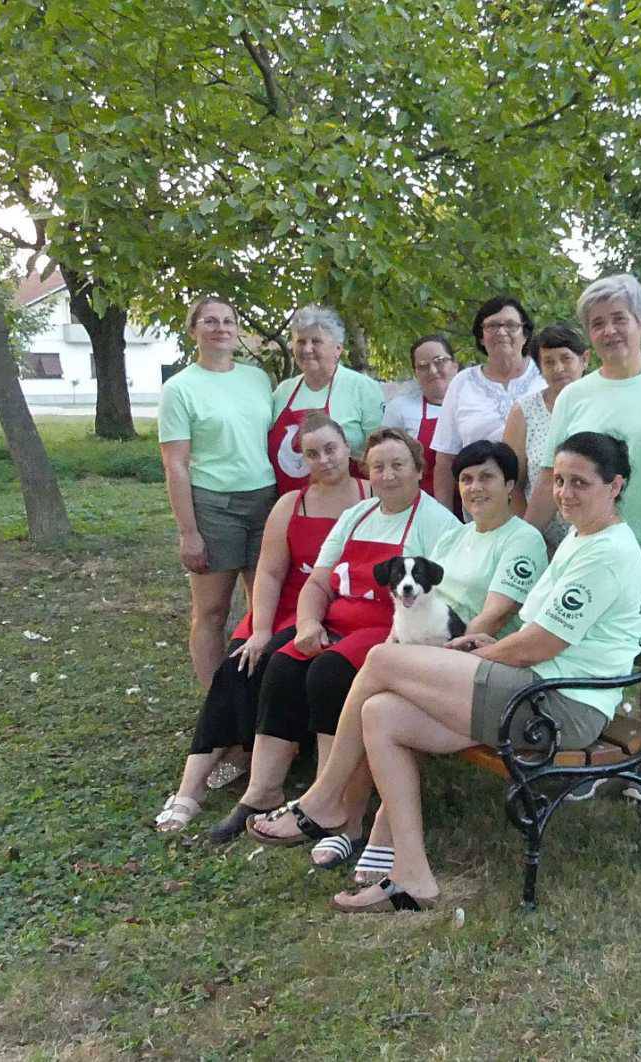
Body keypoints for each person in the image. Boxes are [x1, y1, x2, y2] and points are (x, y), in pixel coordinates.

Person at [248, 432, 641, 913]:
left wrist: (473, 659)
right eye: (559, 480)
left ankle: (325, 799)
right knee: (382, 714)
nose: (564, 492)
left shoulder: (605, 552)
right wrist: (490, 646)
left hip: (562, 706)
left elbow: (542, 644)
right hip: (535, 686)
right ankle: (412, 876)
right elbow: (540, 634)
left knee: (381, 659)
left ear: (615, 485)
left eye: (579, 482)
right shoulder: (581, 538)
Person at [215, 427, 460, 847]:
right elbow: (318, 584)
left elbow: (440, 600)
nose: (387, 475)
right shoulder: (357, 515)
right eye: (378, 466)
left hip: (391, 628)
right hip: (338, 621)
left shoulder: (438, 523)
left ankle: (331, 801)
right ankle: (262, 790)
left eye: (398, 465)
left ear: (419, 470)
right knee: (283, 663)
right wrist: (308, 624)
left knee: (328, 673)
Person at [327, 438, 548, 878]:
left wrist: (432, 660)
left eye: (486, 477)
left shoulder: (523, 540)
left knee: (383, 677)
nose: (473, 487)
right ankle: (351, 819)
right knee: (377, 703)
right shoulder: (455, 536)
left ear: (510, 486)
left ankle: (355, 820)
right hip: (433, 651)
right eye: (466, 479)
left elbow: (491, 618)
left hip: (482, 661)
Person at [154, 413, 366, 832]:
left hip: (339, 612)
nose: (323, 460)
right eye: (312, 454)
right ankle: (191, 787)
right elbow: (268, 573)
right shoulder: (290, 505)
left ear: (346, 449)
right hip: (285, 609)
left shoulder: (372, 498)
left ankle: (255, 759)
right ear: (301, 460)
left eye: (330, 449)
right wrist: (261, 629)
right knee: (238, 664)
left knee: (277, 665)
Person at [159, 295, 278, 690]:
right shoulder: (180, 389)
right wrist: (188, 532)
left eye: (228, 320)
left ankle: (256, 696)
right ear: (193, 330)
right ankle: (217, 706)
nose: (221, 327)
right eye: (210, 321)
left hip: (265, 503)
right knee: (211, 612)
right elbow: (175, 464)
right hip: (214, 507)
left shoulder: (257, 379)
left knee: (263, 608)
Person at [538, 274, 641, 586]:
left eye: (619, 319)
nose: (609, 331)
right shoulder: (573, 396)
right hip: (591, 546)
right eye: (597, 324)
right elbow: (550, 476)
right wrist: (522, 539)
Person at [428, 296, 543, 511]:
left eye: (510, 325)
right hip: (482, 508)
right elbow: (444, 460)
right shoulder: (462, 383)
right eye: (491, 326)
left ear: (525, 334)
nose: (501, 331)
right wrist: (444, 519)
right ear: (481, 337)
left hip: (543, 504)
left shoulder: (546, 376)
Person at [268, 305, 384, 491]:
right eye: (300, 342)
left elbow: (380, 451)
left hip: (349, 502)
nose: (307, 349)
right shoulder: (284, 391)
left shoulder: (362, 388)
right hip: (290, 503)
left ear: (338, 349)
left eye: (316, 341)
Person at [502, 322, 589, 552]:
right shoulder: (524, 412)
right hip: (542, 540)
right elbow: (514, 484)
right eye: (549, 362)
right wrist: (531, 536)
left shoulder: (601, 402)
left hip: (596, 537)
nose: (558, 368)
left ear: (584, 360)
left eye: (566, 358)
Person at [382, 334, 460, 498]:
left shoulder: (475, 405)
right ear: (415, 373)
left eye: (439, 361)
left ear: (454, 365)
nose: (432, 371)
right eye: (423, 366)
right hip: (423, 507)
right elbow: (385, 460)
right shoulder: (400, 409)